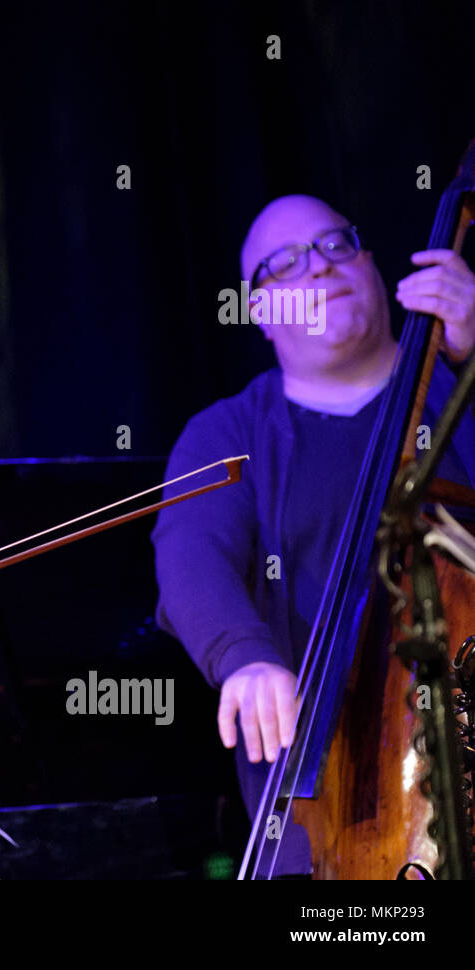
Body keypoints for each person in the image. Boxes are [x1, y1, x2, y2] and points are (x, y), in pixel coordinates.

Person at [151, 193, 475, 873]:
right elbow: (191, 556)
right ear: (261, 314)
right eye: (284, 265)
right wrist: (243, 654)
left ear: (373, 266)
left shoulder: (461, 394)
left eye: (336, 245)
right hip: (328, 817)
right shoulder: (229, 433)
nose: (320, 268)